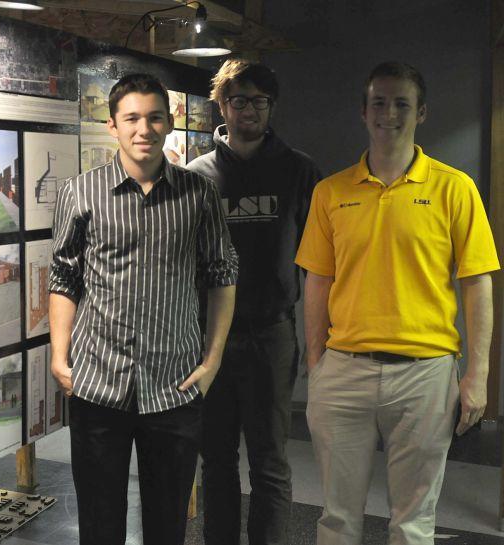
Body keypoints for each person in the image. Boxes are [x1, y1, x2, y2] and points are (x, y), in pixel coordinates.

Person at [295, 61, 500, 545]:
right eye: (379, 103)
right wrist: (316, 361)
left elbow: (477, 284)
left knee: (412, 522)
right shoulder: (332, 192)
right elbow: (317, 280)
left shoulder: (455, 189)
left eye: (401, 103)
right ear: (363, 112)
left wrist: (478, 376)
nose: (390, 113)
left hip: (425, 374)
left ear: (422, 112)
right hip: (345, 371)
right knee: (336, 518)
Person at [49, 73, 238, 545]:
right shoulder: (80, 192)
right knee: (98, 521)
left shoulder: (199, 195)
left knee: (167, 522)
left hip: (174, 385)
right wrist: (58, 356)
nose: (144, 129)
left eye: (154, 117)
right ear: (112, 125)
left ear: (170, 122)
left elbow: (222, 275)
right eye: (131, 117)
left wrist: (212, 360)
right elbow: (63, 277)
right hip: (98, 382)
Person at [186, 59, 321, 545]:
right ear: (221, 105)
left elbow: (320, 263)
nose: (249, 110)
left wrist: (316, 339)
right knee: (216, 458)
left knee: (270, 461)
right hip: (209, 342)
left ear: (271, 106)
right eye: (238, 100)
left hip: (273, 333)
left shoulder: (299, 171)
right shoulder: (195, 176)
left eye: (259, 101)